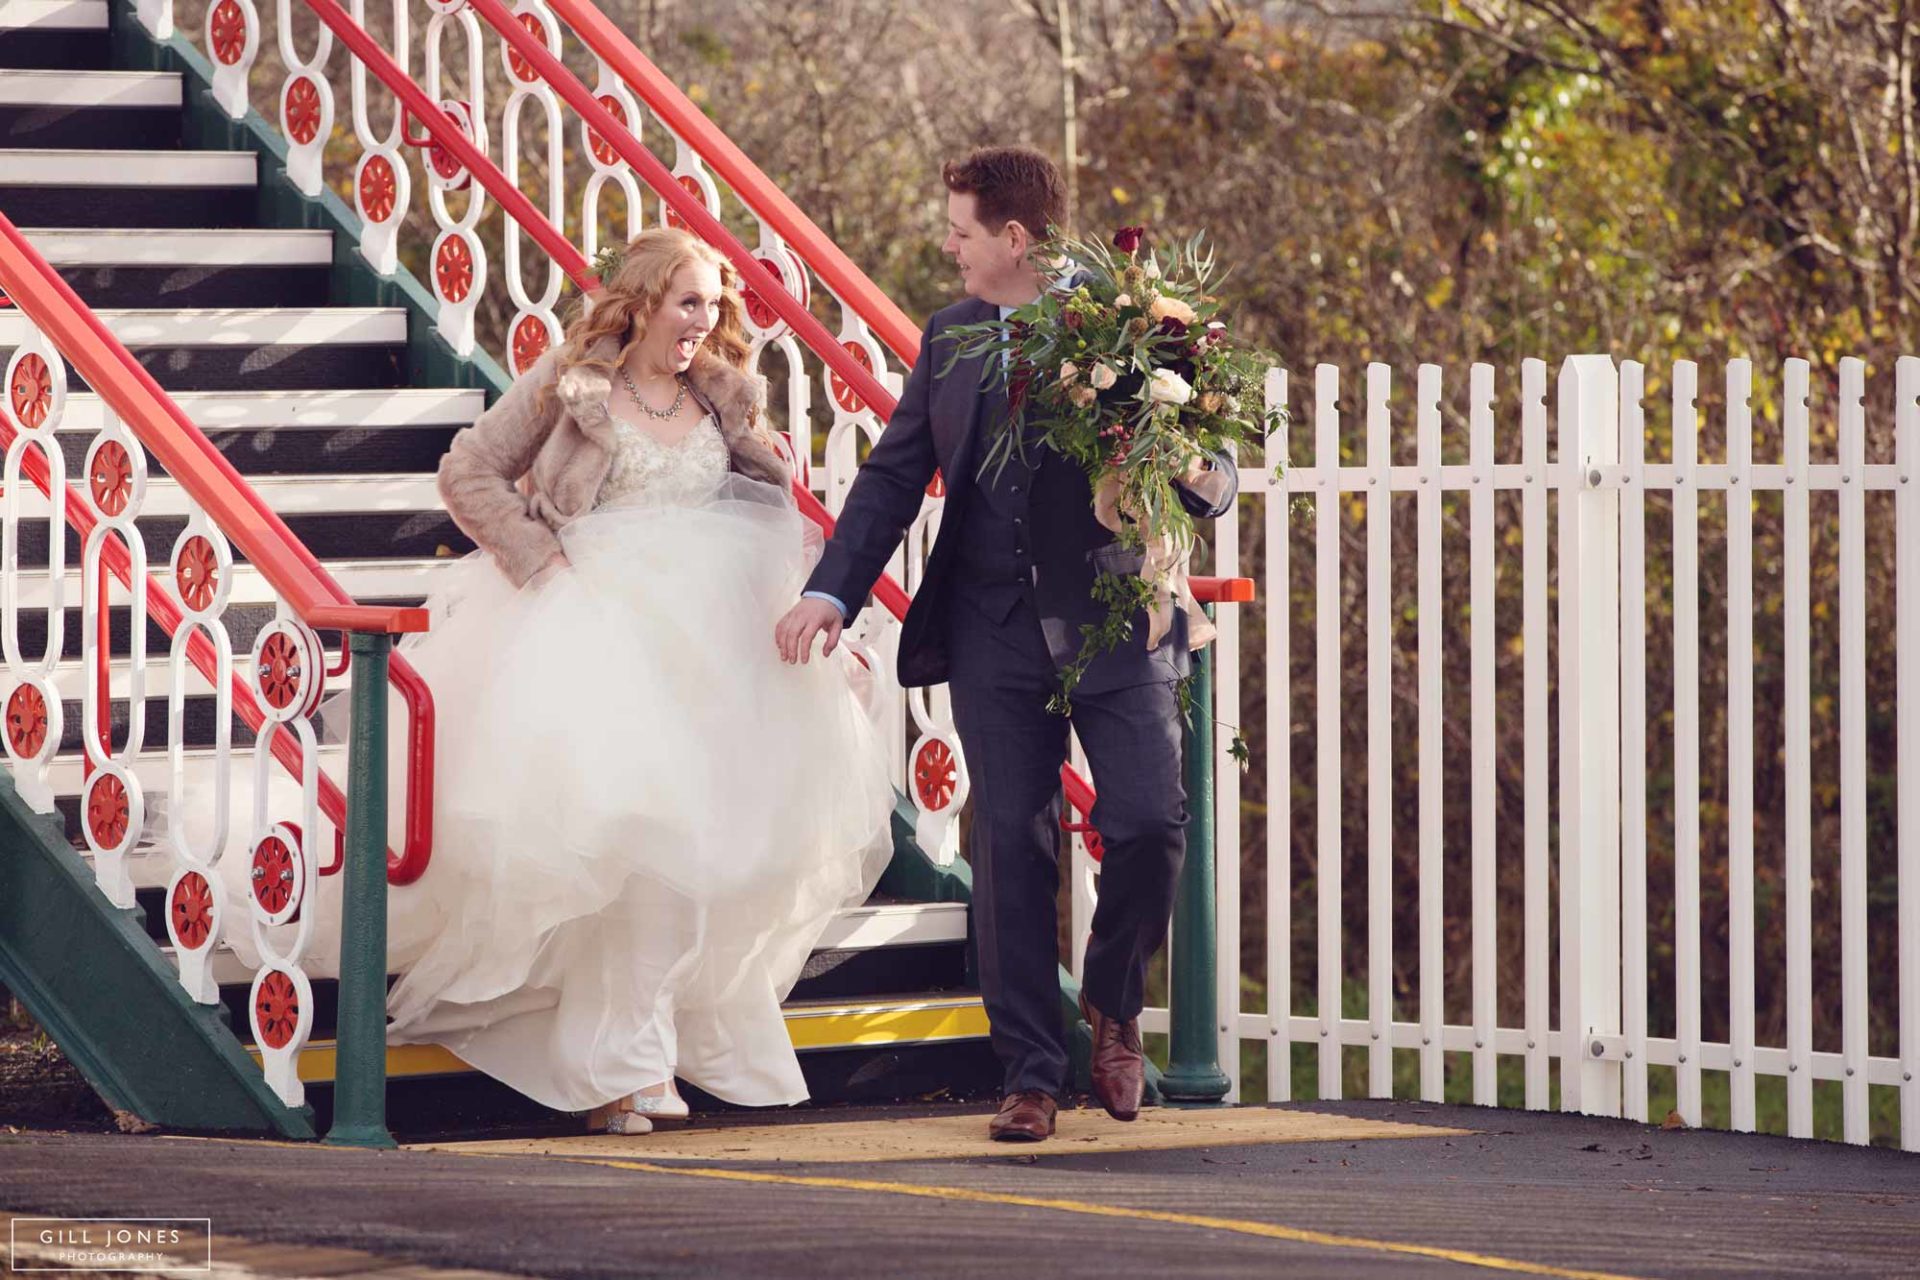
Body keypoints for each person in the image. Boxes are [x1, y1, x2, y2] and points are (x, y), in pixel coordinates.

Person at [337, 228, 892, 1133]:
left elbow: (769, 511)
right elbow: (467, 470)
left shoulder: (721, 396)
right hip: (596, 639)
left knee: (709, 855)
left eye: (712, 304)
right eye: (686, 302)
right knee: (636, 848)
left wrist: (815, 607)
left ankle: (667, 1043)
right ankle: (619, 1068)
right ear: (640, 302)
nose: (701, 322)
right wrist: (542, 564)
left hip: (718, 650)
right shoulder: (571, 383)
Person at [773, 147, 1236, 1143]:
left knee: (1152, 820)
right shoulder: (946, 340)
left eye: (961, 230)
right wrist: (829, 591)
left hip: (1119, 623)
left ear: (1013, 240)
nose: (947, 245)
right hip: (991, 629)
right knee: (1013, 844)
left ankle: (1114, 1007)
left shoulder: (1131, 320)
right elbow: (896, 478)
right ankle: (1030, 1071)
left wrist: (1177, 451)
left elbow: (1215, 470)